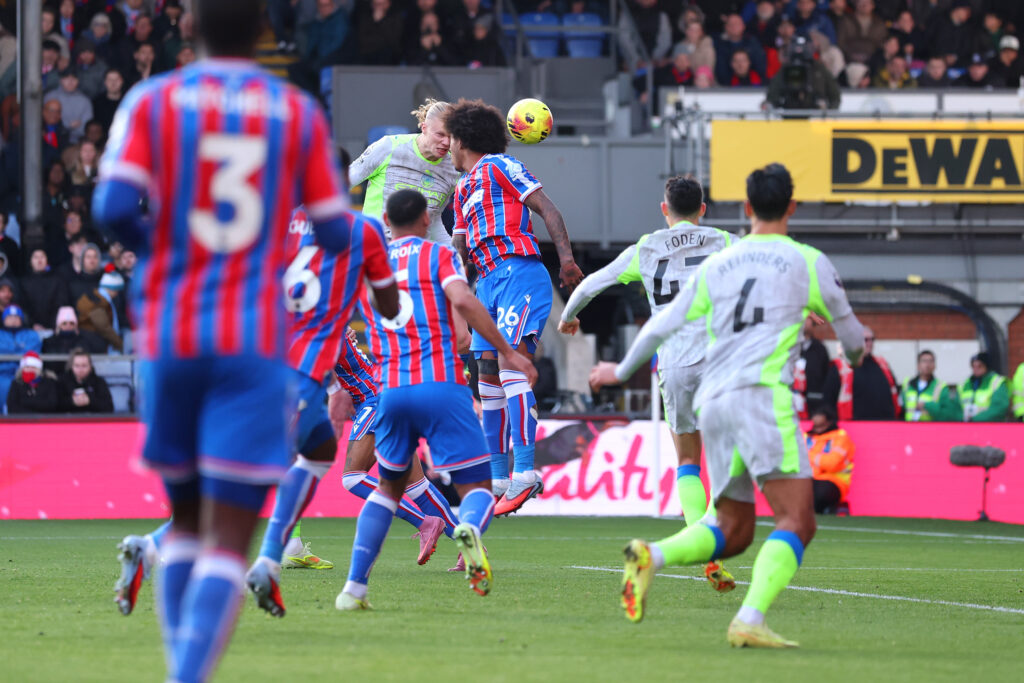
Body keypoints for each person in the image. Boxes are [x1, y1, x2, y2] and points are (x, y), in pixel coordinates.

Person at [91, 0, 360, 678]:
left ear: (188, 27)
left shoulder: (153, 100)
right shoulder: (295, 110)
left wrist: (169, 250)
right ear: (266, 33)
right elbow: (336, 231)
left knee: (184, 521)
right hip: (252, 339)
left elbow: (113, 207)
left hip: (171, 328)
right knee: (228, 536)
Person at [616, 163, 865, 647]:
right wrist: (851, 352)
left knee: (733, 530)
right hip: (762, 398)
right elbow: (853, 343)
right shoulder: (807, 261)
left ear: (747, 208)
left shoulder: (720, 261)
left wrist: (620, 371)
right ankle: (749, 619)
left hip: (714, 400)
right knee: (797, 520)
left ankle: (651, 555)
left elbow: (664, 323)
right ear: (793, 207)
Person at [336, 189, 537, 610]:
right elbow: (462, 306)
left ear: (385, 222)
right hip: (441, 384)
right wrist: (509, 351)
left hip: (390, 390)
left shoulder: (369, 265)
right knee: (477, 486)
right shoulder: (439, 256)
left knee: (386, 489)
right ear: (427, 220)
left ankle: (354, 589)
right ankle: (468, 531)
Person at [568, 176, 737, 594]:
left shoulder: (645, 248)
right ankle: (713, 535)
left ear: (665, 210)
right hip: (719, 360)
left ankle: (706, 548)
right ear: (702, 209)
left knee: (688, 460)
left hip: (676, 364)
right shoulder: (724, 241)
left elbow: (591, 284)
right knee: (729, 457)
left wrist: (568, 316)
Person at [243, 197, 399, 617]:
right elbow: (388, 305)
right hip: (303, 368)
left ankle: (280, 549)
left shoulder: (269, 218)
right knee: (294, 460)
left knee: (304, 453)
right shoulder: (361, 229)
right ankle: (174, 543)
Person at [445, 98, 584, 515]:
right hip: (485, 283)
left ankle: (525, 471)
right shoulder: (462, 189)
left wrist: (567, 261)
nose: (447, 147)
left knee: (511, 369)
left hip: (518, 273)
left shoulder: (500, 166)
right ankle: (499, 476)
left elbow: (547, 208)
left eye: (450, 139)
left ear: (462, 139)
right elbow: (460, 249)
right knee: (487, 379)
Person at [332, 331, 459, 566]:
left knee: (352, 478)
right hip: (388, 393)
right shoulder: (324, 325)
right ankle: (472, 549)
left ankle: (425, 523)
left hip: (374, 400)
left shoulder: (316, 330)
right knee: (417, 486)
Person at [349, 99, 461, 246]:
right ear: (424, 128)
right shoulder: (388, 147)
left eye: (451, 136)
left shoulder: (452, 168)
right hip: (375, 247)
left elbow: (434, 220)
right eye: (440, 135)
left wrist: (453, 252)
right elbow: (342, 183)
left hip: (417, 253)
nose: (446, 142)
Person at [824, 326, 899, 420]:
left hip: (886, 423)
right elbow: (829, 401)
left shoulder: (882, 364)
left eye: (872, 339)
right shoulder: (841, 367)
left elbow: (894, 392)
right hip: (854, 424)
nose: (869, 343)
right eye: (865, 340)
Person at [805, 405, 854, 514]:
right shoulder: (806, 437)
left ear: (830, 422)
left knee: (818, 494)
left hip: (834, 481)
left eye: (821, 425)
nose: (818, 429)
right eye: (816, 425)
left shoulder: (840, 437)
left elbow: (832, 464)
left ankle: (832, 507)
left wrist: (808, 456)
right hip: (807, 479)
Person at [1, 305, 43, 410]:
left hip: (25, 372)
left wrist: (8, 351)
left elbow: (32, 353)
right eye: (10, 317)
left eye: (16, 317)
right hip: (2, 373)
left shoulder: (31, 335)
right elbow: (24, 353)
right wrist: (19, 350)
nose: (13, 320)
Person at [42, 305, 106, 372]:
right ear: (59, 325)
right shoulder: (49, 342)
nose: (68, 326)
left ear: (75, 325)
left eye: (71, 323)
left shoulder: (83, 341)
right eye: (64, 323)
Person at [75, 267, 124, 352]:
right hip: (93, 344)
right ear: (111, 289)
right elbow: (104, 327)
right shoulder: (98, 302)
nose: (117, 294)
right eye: (116, 291)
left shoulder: (98, 298)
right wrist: (119, 343)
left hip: (92, 342)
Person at [20, 249, 69, 332]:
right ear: (30, 261)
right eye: (36, 257)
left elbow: (61, 304)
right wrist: (32, 324)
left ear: (47, 260)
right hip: (29, 330)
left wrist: (52, 325)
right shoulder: (23, 282)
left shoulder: (57, 281)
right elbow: (22, 307)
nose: (39, 260)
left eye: (42, 256)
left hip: (54, 328)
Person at [793, 314, 831, 418]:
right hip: (792, 402)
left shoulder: (820, 349)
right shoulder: (791, 347)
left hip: (814, 404)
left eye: (808, 319)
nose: (804, 321)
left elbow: (825, 375)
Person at [954, 352, 1009, 422]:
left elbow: (999, 408)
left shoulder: (997, 382)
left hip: (989, 425)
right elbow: (955, 408)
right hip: (965, 425)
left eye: (980, 366)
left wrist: (975, 420)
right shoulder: (964, 384)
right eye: (973, 366)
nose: (976, 369)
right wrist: (962, 419)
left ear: (987, 366)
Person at [57, 347, 113, 413]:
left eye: (84, 366)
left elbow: (109, 407)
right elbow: (54, 406)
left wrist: (90, 401)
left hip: (92, 419)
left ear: (90, 366)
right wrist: (72, 401)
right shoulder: (62, 382)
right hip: (69, 419)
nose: (80, 370)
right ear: (71, 366)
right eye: (77, 366)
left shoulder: (99, 382)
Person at [45, 70, 93, 143]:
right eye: (67, 78)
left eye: (74, 78)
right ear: (61, 80)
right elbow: (45, 122)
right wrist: (68, 127)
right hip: (51, 141)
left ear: (78, 81)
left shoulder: (85, 101)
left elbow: (86, 128)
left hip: (76, 142)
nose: (70, 82)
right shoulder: (50, 97)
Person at [901, 350, 945, 422]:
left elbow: (944, 412)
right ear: (918, 365)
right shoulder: (907, 384)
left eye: (931, 361)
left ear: (935, 366)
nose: (927, 365)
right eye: (924, 361)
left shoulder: (941, 386)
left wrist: (926, 405)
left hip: (929, 426)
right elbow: (902, 407)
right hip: (909, 425)